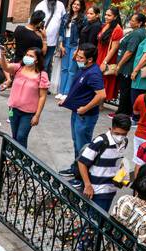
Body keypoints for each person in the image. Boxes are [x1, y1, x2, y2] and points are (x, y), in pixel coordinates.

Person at [60, 43, 105, 175]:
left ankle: (81, 176)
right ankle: (76, 169)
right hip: (77, 113)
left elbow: (101, 95)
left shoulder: (94, 73)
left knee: (83, 147)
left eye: (80, 57)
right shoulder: (84, 69)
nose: (76, 58)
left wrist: (85, 108)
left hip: (85, 116)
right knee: (76, 143)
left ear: (89, 59)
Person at [76, 112, 131, 211]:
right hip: (96, 190)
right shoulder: (100, 141)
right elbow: (82, 162)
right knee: (93, 222)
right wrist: (88, 185)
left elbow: (118, 160)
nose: (120, 137)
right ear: (111, 129)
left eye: (123, 134)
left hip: (111, 189)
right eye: (117, 133)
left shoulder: (125, 141)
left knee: (100, 220)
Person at [4, 46, 50, 146]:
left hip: (28, 113)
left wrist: (37, 115)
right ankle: (14, 158)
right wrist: (2, 56)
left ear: (37, 60)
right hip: (13, 109)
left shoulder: (42, 75)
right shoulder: (18, 68)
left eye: (31, 56)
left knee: (21, 136)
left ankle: (20, 159)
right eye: (27, 55)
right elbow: (6, 67)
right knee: (15, 135)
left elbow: (42, 96)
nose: (27, 57)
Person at [107, 12, 146, 120]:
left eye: (133, 20)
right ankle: (125, 111)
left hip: (127, 67)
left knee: (124, 90)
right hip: (127, 66)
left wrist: (119, 65)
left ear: (139, 23)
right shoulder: (136, 32)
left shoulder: (137, 34)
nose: (130, 22)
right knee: (125, 90)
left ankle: (122, 112)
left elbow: (129, 51)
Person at [57, 0, 85, 95]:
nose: (76, 6)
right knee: (64, 68)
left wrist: (78, 49)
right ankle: (61, 92)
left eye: (78, 4)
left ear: (81, 7)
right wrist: (61, 45)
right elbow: (61, 31)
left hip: (75, 45)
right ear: (71, 5)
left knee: (71, 69)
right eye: (74, 4)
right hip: (65, 43)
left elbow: (82, 35)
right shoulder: (66, 16)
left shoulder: (83, 19)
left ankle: (67, 93)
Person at [95, 8, 123, 102]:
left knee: (103, 79)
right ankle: (96, 101)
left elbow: (114, 49)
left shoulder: (117, 29)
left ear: (115, 17)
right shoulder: (106, 25)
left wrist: (105, 62)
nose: (106, 17)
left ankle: (100, 103)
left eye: (109, 15)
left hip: (107, 57)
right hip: (99, 55)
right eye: (106, 14)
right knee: (98, 78)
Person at [34, 0, 66, 77]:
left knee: (47, 63)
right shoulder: (41, 5)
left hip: (53, 41)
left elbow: (64, 20)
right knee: (40, 63)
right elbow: (34, 21)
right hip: (40, 41)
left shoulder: (61, 5)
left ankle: (44, 83)